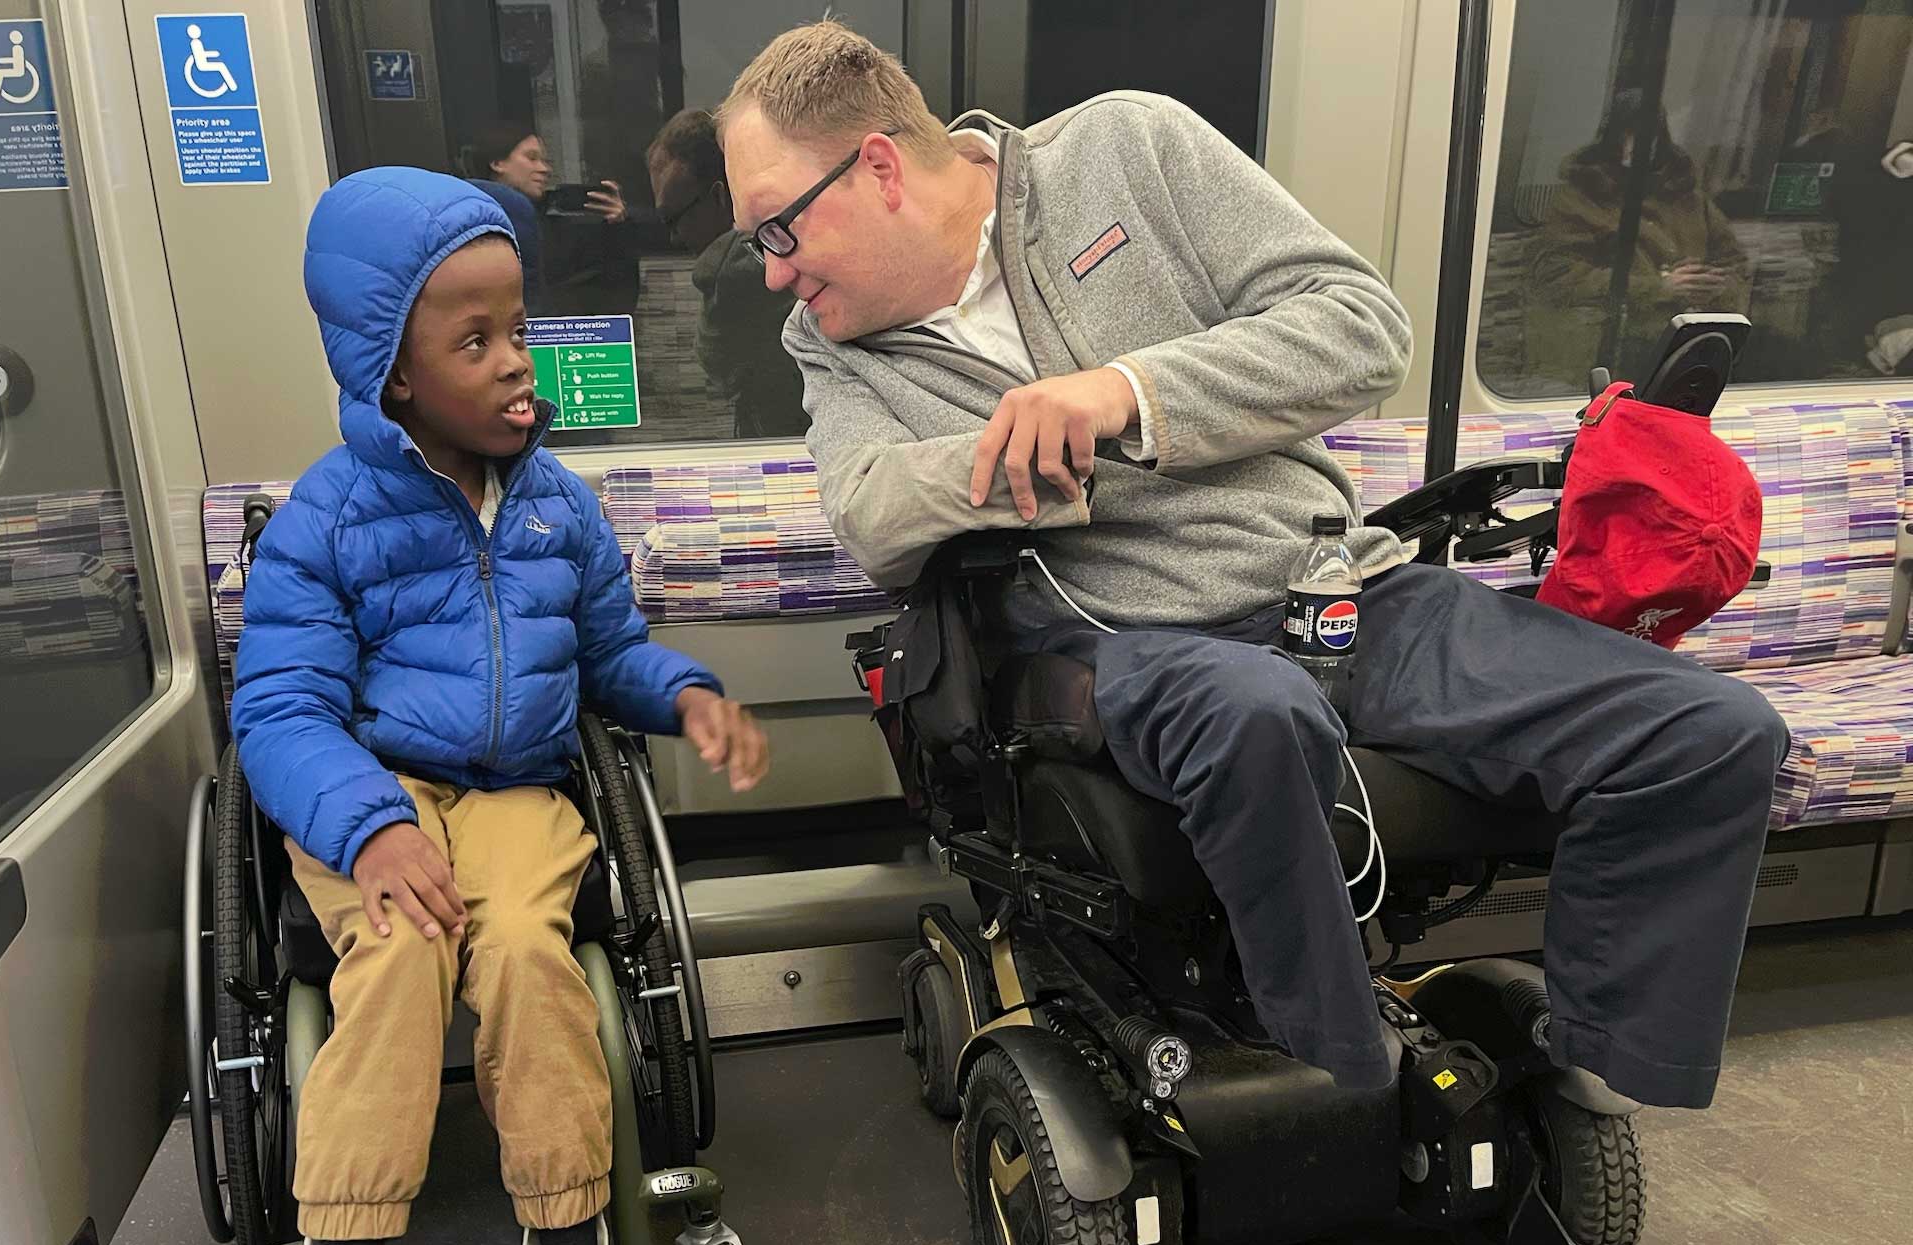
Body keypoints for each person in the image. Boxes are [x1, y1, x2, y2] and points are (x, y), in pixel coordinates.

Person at [719, 22, 1787, 1111]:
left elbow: (1358, 330)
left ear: (880, 168)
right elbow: (871, 513)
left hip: (1336, 588)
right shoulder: (833, 342)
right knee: (1258, 712)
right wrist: (1035, 452)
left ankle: (1590, 1060)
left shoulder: (1125, 151)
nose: (772, 274)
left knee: (1708, 734)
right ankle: (1340, 1067)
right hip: (1118, 642)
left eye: (774, 230)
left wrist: (1124, 393)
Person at [232, 167, 769, 1245]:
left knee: (532, 954)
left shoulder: (555, 508)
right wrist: (367, 828)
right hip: (375, 792)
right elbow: (281, 709)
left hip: (522, 794)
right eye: (473, 343)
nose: (517, 366)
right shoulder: (330, 521)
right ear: (390, 376)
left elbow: (607, 657)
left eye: (518, 330)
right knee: (405, 950)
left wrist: (684, 690)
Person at [1525, 88, 1749, 390]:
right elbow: (1553, 275)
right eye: (1629, 135)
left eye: (1649, 135)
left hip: (1695, 345)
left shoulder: (1690, 198)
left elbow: (1735, 263)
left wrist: (1711, 285)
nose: (1639, 145)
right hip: (1615, 352)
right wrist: (1657, 286)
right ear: (1613, 138)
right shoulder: (1582, 198)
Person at [646, 108, 809, 438]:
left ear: (721, 196)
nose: (674, 238)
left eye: (673, 218)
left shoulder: (733, 276)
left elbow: (718, 363)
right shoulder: (801, 241)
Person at [460, 120, 637, 318]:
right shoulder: (466, 226)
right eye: (532, 158)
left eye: (545, 161)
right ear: (497, 163)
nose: (545, 169)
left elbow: (614, 293)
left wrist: (618, 227)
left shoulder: (551, 227)